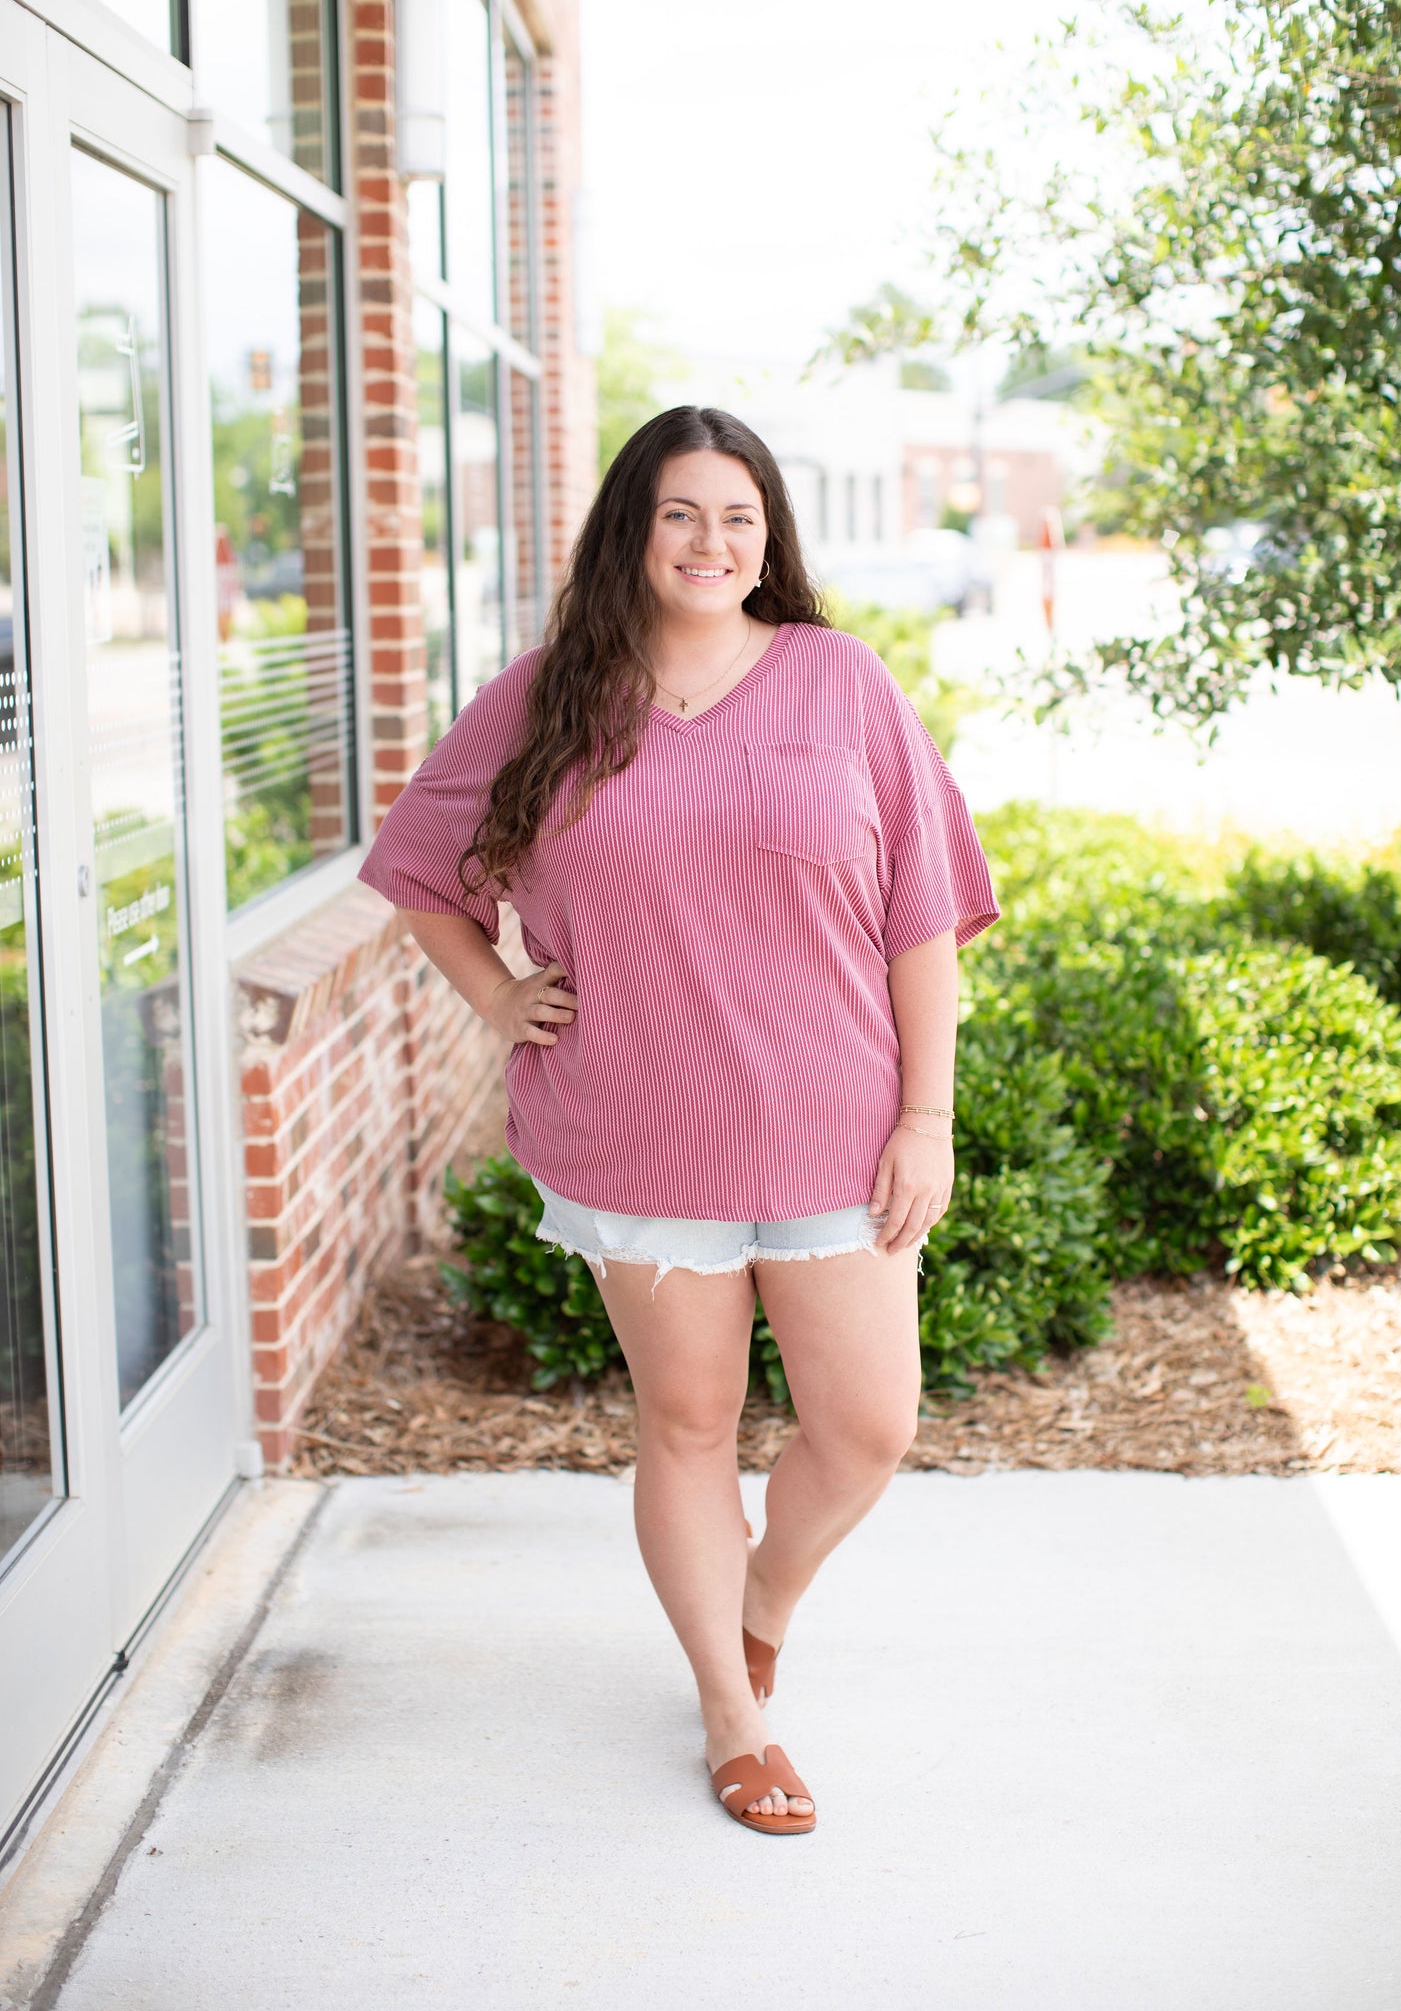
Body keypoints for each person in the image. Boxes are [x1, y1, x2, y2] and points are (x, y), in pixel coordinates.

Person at [359, 406, 998, 1836]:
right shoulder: (549, 695)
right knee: (689, 1418)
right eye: (681, 515)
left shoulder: (840, 685)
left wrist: (929, 1119)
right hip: (638, 1128)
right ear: (631, 532)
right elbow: (417, 866)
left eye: (738, 518)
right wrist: (493, 992)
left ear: (768, 538)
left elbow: (921, 923)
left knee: (868, 1426)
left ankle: (761, 1599)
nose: (711, 543)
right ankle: (731, 1710)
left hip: (836, 1127)